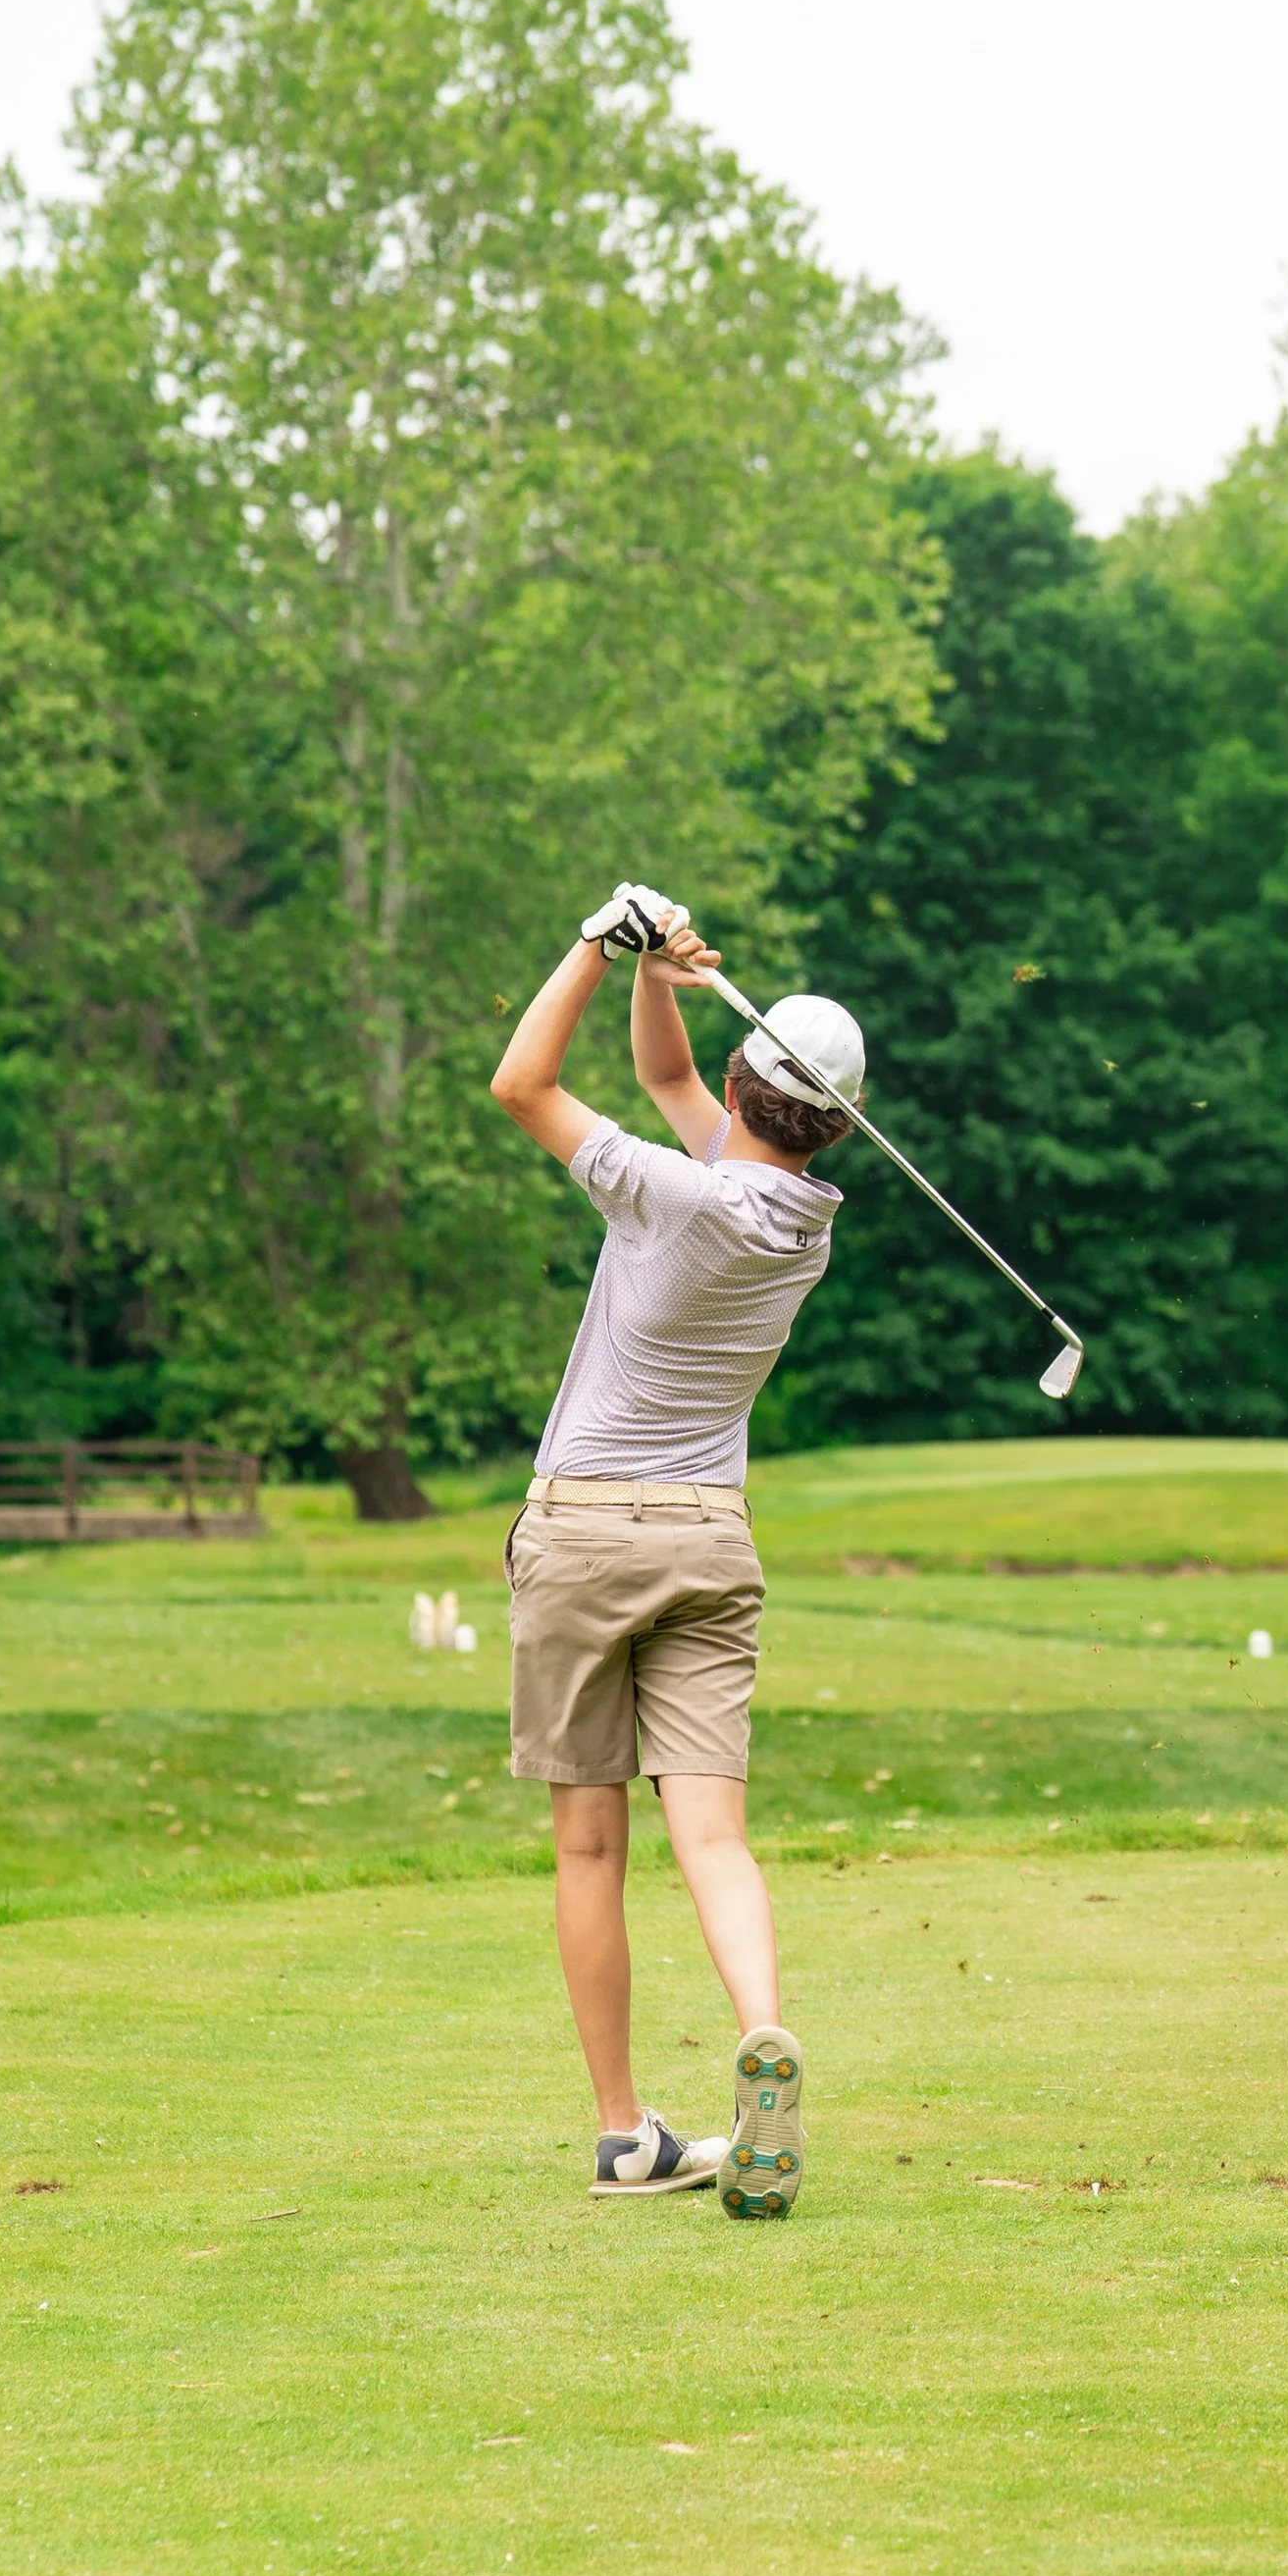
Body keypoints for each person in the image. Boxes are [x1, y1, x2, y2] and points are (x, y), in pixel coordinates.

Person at [488, 882, 865, 2219]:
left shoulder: (669, 1194)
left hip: (587, 1528)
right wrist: (666, 972)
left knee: (591, 1847)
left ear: (755, 1089)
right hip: (711, 1536)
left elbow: (522, 1079)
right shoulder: (800, 1221)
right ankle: (763, 2029)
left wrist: (595, 939)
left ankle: (620, 2132)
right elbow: (664, 1072)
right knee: (713, 1834)